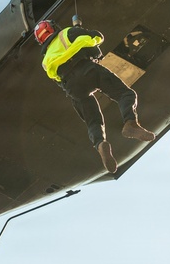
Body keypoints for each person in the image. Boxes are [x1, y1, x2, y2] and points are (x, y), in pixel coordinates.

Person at [34, 18, 155, 174]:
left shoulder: (45, 61)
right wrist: (80, 29)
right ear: (53, 28)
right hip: (87, 70)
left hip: (72, 87)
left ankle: (100, 144)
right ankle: (130, 124)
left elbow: (58, 81)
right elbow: (95, 38)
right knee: (125, 94)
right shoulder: (67, 33)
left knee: (93, 121)